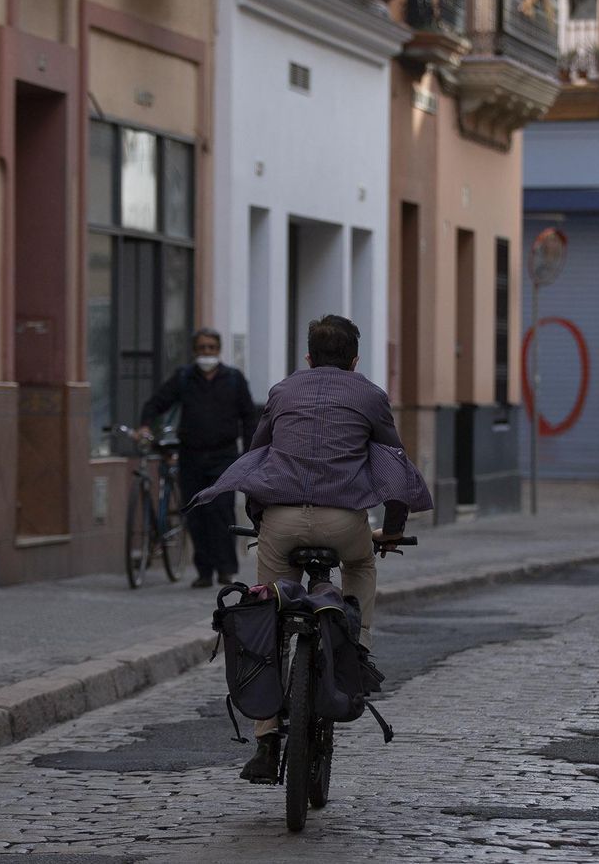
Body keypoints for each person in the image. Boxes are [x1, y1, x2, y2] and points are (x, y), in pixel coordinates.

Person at [188, 314, 432, 784]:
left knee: (268, 610)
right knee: (360, 564)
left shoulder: (282, 392)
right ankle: (357, 652)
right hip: (344, 522)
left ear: (308, 358)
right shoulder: (370, 396)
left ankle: (265, 741)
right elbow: (395, 466)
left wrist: (261, 518)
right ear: (355, 360)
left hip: (281, 520)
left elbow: (258, 455)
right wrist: (394, 530)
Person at [137, 328, 260, 589]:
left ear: (218, 350)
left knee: (222, 512)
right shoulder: (183, 378)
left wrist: (251, 453)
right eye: (202, 348)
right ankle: (204, 571)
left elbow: (249, 417)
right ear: (195, 351)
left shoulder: (234, 379)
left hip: (225, 457)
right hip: (190, 455)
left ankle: (226, 569)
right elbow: (156, 403)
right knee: (196, 514)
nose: (207, 353)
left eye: (211, 348)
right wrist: (146, 424)